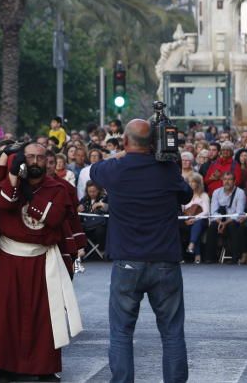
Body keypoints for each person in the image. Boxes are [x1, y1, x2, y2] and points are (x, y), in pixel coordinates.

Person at [89, 119, 192, 383]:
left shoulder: (116, 169)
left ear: (124, 142)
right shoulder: (167, 170)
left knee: (122, 332)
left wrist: (121, 153)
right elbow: (186, 194)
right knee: (172, 333)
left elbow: (95, 170)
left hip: (127, 261)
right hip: (165, 261)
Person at [0, 143, 82, 380]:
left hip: (41, 258)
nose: (35, 161)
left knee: (44, 316)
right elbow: (4, 203)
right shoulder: (12, 183)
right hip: (9, 257)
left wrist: (29, 199)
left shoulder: (57, 188)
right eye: (30, 157)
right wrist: (14, 178)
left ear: (47, 160)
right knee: (4, 314)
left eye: (40, 157)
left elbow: (55, 218)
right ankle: (3, 365)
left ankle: (43, 367)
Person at [205, 171, 246, 263]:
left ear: (234, 181)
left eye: (229, 179)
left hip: (233, 220)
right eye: (225, 179)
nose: (227, 182)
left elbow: (239, 213)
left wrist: (225, 223)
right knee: (212, 226)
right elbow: (214, 211)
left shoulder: (240, 193)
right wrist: (220, 222)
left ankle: (235, 257)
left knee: (232, 226)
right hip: (220, 219)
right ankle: (210, 257)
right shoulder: (216, 192)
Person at [181, 175, 210, 263]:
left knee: (197, 224)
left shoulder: (203, 195)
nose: (190, 184)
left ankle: (192, 245)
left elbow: (206, 212)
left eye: (192, 182)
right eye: (189, 182)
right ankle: (195, 253)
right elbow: (182, 210)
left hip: (202, 220)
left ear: (198, 184)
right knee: (185, 226)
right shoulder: (185, 196)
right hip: (188, 220)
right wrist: (186, 220)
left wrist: (195, 218)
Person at [78, 181, 109, 258]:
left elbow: (110, 208)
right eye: (90, 191)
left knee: (100, 230)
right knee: (77, 227)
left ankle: (102, 249)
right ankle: (81, 250)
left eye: (94, 191)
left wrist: (101, 204)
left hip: (100, 225)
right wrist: (78, 209)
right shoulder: (84, 199)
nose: (92, 193)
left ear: (98, 190)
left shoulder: (104, 198)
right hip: (86, 224)